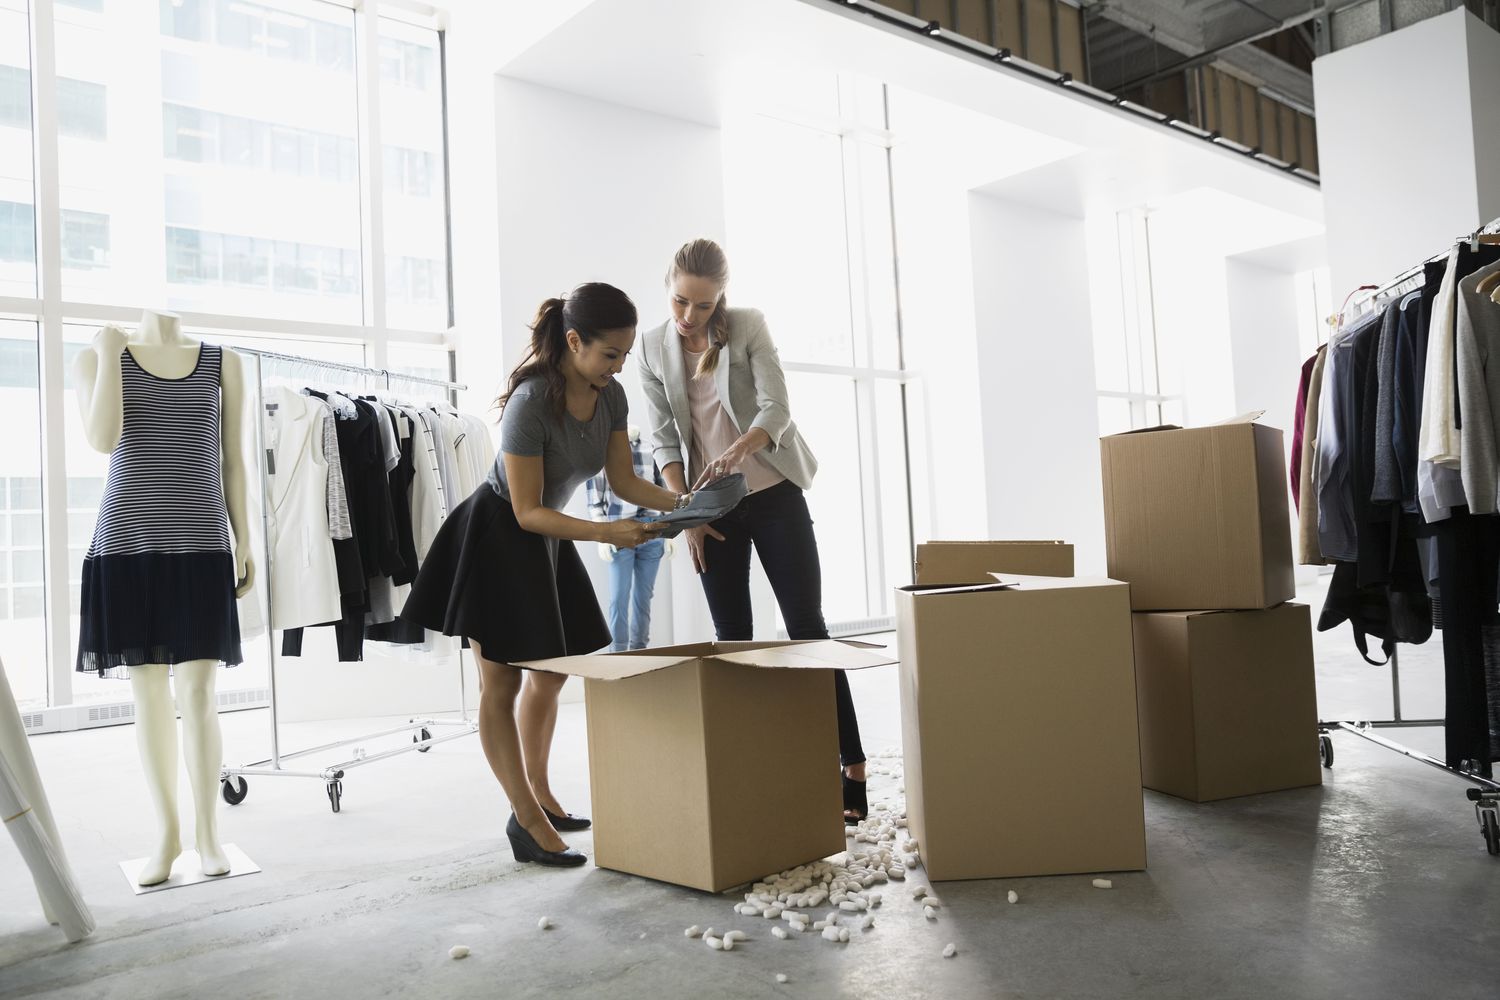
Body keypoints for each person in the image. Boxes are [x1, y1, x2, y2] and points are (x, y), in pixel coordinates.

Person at [401, 283, 685, 867]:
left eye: (626, 355)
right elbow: (526, 511)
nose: (618, 366)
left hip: (547, 538)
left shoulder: (612, 396)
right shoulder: (531, 403)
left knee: (552, 675)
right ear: (574, 341)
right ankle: (526, 818)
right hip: (498, 534)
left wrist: (682, 504)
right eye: (610, 355)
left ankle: (541, 797)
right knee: (500, 684)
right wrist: (607, 533)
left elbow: (625, 482)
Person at [637, 238, 869, 824]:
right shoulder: (649, 347)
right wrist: (688, 512)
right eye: (681, 301)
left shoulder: (747, 327)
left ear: (722, 299)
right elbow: (665, 436)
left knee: (807, 630)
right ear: (670, 286)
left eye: (705, 306)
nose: (691, 318)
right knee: (732, 638)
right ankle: (746, 769)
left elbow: (776, 407)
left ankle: (852, 766)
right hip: (712, 507)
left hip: (774, 496)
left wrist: (741, 448)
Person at [586, 427, 671, 651]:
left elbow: (661, 488)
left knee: (644, 597)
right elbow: (595, 499)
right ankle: (619, 653)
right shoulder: (602, 451)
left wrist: (669, 529)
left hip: (653, 529)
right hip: (619, 531)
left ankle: (640, 650)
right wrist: (602, 536)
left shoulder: (649, 447)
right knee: (618, 597)